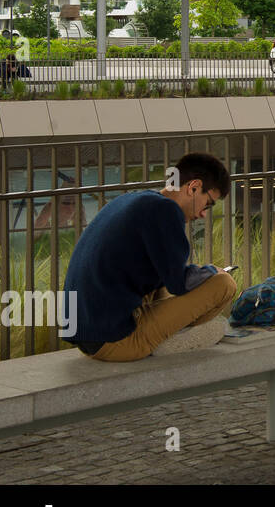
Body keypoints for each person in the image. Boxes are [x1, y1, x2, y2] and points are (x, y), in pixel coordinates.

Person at [64, 152, 238, 361]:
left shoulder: (133, 199)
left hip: (88, 335)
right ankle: (175, 338)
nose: (203, 213)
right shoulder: (165, 211)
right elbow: (179, 284)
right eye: (208, 203)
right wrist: (212, 271)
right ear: (193, 187)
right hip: (116, 341)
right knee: (224, 284)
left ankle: (169, 332)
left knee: (163, 278)